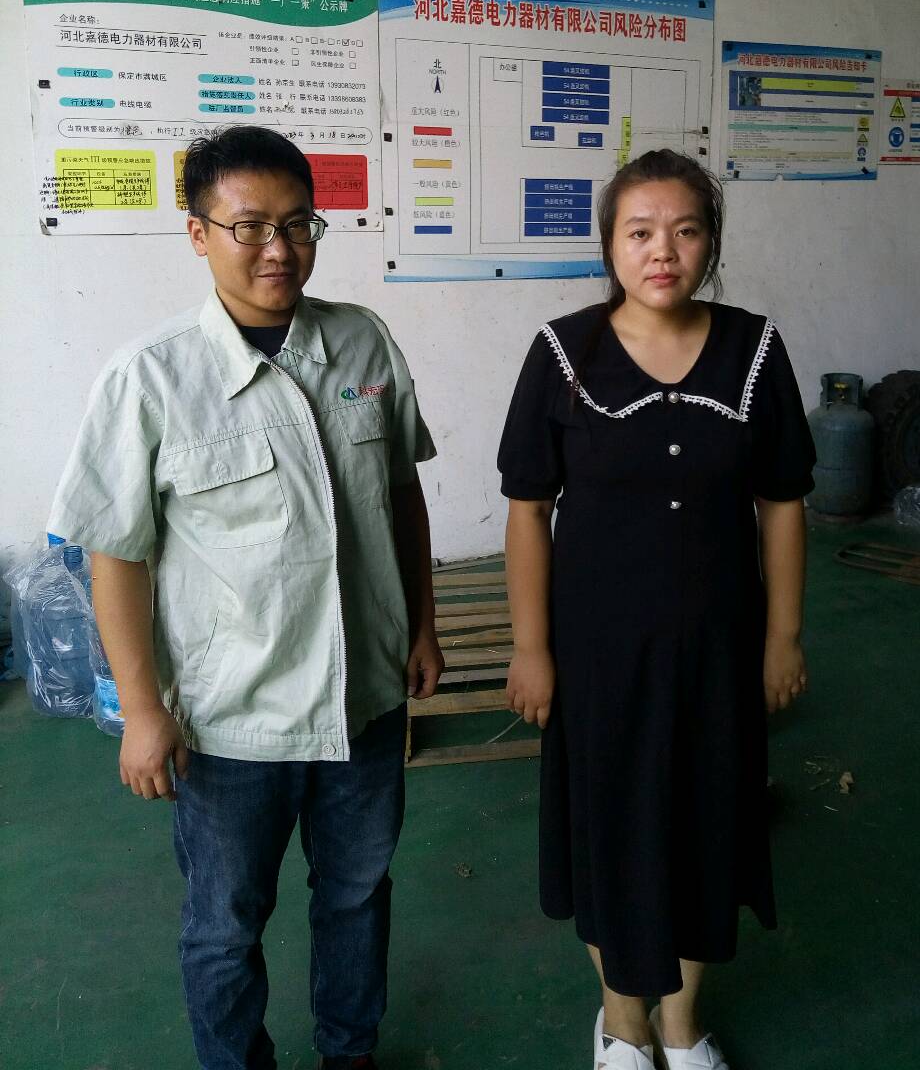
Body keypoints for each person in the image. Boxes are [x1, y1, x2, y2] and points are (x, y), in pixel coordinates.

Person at [49, 125, 443, 1070]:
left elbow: (400, 492)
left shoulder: (361, 340)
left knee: (358, 894)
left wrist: (423, 625)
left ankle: (350, 1053)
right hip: (232, 721)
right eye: (250, 226)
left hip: (363, 700)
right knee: (225, 926)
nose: (279, 249)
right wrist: (143, 710)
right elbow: (116, 555)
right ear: (198, 234)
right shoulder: (150, 377)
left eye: (299, 224)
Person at [498, 149, 816, 1070]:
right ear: (610, 245)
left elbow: (782, 503)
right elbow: (528, 510)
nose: (662, 252)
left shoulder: (754, 349)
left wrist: (783, 636)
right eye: (639, 232)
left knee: (706, 828)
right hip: (597, 651)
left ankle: (681, 1024)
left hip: (719, 645)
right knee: (609, 832)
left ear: (710, 242)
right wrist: (531, 648)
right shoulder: (565, 352)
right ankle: (623, 1025)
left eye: (685, 230)